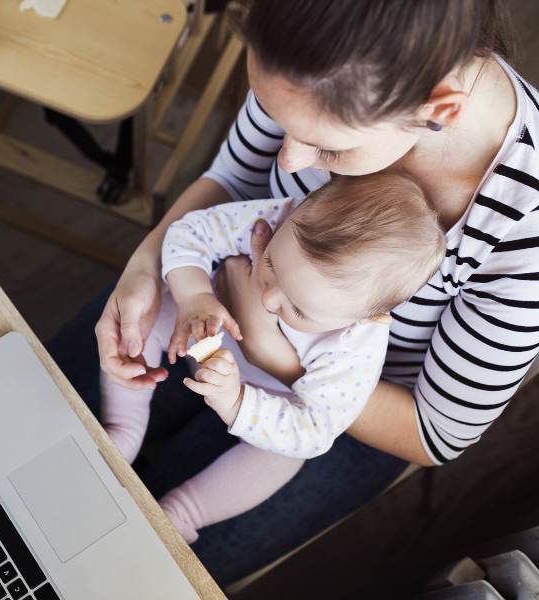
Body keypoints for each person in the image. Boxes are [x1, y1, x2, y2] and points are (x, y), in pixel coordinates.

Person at [48, 0, 539, 585]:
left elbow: (436, 432)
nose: (291, 160)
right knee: (41, 429)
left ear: (437, 109)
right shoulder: (311, 49)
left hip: (348, 405)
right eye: (283, 124)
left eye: (328, 148)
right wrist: (145, 266)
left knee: (135, 570)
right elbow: (233, 178)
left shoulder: (526, 228)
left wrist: (269, 349)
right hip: (211, 290)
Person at [101, 174, 445, 543]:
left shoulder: (357, 344)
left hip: (269, 395)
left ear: (364, 317)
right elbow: (191, 232)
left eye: (297, 308)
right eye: (272, 266)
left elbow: (314, 428)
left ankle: (184, 512)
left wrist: (238, 403)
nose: (268, 300)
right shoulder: (280, 216)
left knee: (284, 456)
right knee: (146, 316)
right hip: (202, 326)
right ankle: (123, 427)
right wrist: (194, 296)